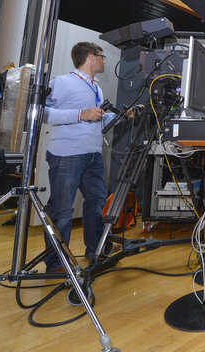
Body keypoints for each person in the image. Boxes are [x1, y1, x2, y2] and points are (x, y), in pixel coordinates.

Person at [42, 42, 120, 272]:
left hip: (93, 155)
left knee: (96, 203)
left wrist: (122, 116)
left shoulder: (96, 87)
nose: (104, 61)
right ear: (90, 57)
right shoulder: (63, 83)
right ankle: (56, 263)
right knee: (63, 210)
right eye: (102, 57)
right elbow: (39, 112)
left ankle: (95, 249)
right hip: (67, 155)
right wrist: (80, 114)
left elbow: (96, 118)